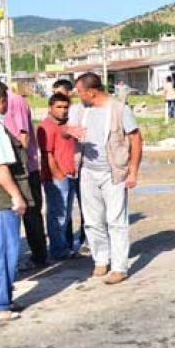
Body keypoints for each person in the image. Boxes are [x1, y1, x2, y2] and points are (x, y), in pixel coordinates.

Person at [67, 72, 143, 285]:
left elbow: (136, 139)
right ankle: (101, 259)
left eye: (80, 91)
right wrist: (69, 131)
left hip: (114, 173)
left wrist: (133, 171)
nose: (77, 95)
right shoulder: (79, 110)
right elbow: (65, 131)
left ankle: (119, 267)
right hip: (87, 172)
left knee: (116, 221)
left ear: (91, 92)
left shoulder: (119, 109)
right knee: (91, 220)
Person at [0, 81, 32, 321]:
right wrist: (17, 196)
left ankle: (4, 299)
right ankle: (1, 304)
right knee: (5, 253)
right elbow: (0, 169)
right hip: (1, 203)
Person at [5, 86, 46, 268]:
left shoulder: (14, 101)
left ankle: (39, 257)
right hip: (6, 169)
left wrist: (19, 165)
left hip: (24, 169)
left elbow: (23, 135)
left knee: (31, 214)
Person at [38, 94, 77, 260]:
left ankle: (62, 248)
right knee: (57, 215)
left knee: (66, 215)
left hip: (69, 174)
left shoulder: (66, 125)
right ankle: (58, 251)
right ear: (50, 107)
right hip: (56, 178)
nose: (63, 110)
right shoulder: (46, 126)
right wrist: (58, 175)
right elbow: (47, 155)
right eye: (59, 107)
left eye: (65, 107)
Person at [54, 78, 87, 253]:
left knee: (86, 207)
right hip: (63, 170)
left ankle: (85, 239)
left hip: (81, 166)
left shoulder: (79, 111)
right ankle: (66, 244)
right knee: (63, 210)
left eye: (61, 93)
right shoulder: (51, 120)